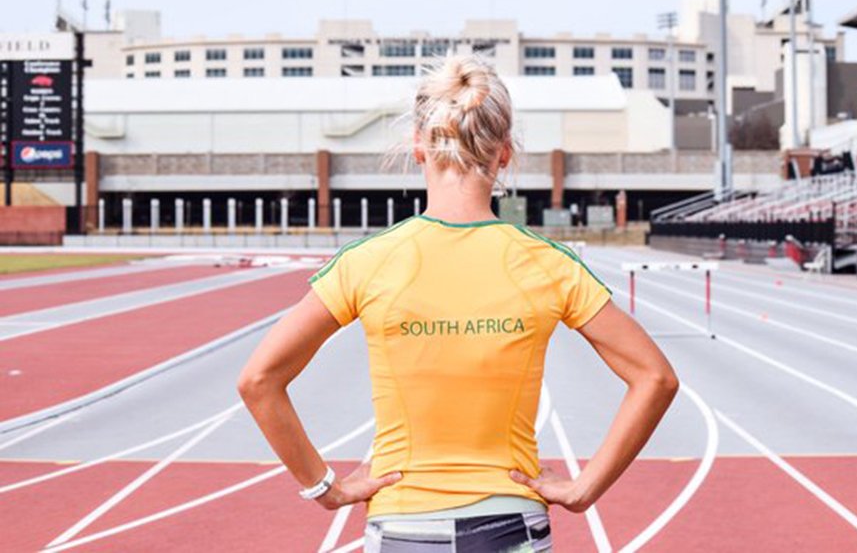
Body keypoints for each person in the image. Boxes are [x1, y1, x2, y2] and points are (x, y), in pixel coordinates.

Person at [237, 54, 679, 552]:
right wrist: (583, 488)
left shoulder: (370, 261)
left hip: (404, 523)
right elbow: (655, 377)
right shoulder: (545, 264)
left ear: (420, 148)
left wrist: (325, 487)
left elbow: (259, 380)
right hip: (510, 522)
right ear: (505, 154)